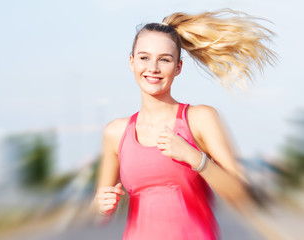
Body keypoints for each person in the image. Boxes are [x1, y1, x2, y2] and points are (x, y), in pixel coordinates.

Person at [93, 9, 276, 239]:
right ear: (131, 62)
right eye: (144, 57)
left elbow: (241, 196)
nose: (153, 68)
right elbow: (100, 204)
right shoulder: (115, 132)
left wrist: (195, 158)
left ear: (178, 67)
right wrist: (102, 206)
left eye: (165, 60)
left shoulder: (199, 119)